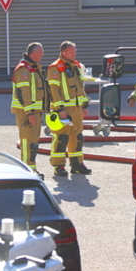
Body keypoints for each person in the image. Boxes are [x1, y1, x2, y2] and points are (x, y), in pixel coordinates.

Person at [47, 41, 91, 177]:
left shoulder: (76, 66)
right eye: (72, 52)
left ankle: (77, 164)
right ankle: (58, 166)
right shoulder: (55, 68)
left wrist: (84, 105)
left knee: (77, 137)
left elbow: (80, 87)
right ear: (64, 52)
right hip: (64, 109)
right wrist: (60, 109)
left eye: (75, 51)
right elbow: (53, 91)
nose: (74, 54)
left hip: (76, 109)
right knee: (62, 137)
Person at [11, 42, 46, 176]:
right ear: (34, 53)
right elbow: (23, 93)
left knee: (34, 141)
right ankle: (26, 170)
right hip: (26, 113)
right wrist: (30, 112)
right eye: (41, 52)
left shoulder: (33, 68)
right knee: (26, 141)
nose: (43, 55)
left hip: (34, 112)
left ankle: (32, 169)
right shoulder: (23, 70)